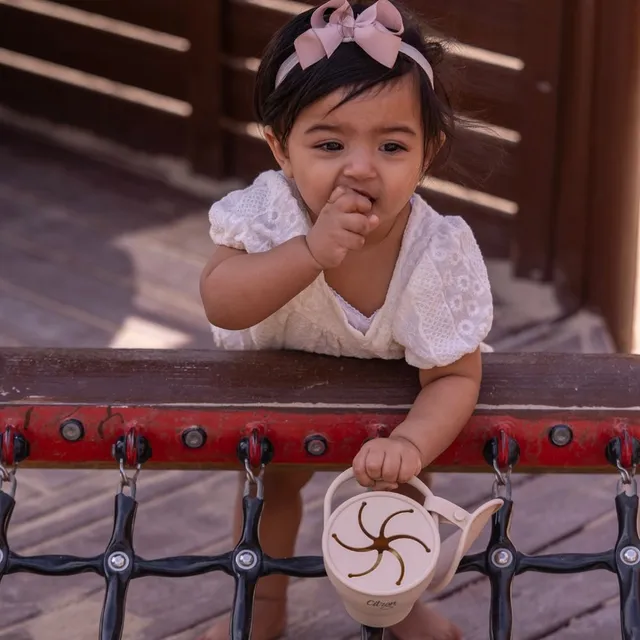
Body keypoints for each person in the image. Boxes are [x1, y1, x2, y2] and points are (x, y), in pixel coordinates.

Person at [199, 1, 492, 637]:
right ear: (281, 148)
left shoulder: (432, 250)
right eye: (330, 144)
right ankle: (262, 609)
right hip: (279, 392)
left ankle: (403, 609)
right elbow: (220, 298)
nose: (360, 167)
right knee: (268, 492)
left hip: (394, 403)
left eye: (391, 145)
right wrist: (306, 253)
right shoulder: (271, 214)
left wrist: (410, 445)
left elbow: (455, 376)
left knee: (400, 501)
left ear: (428, 153)